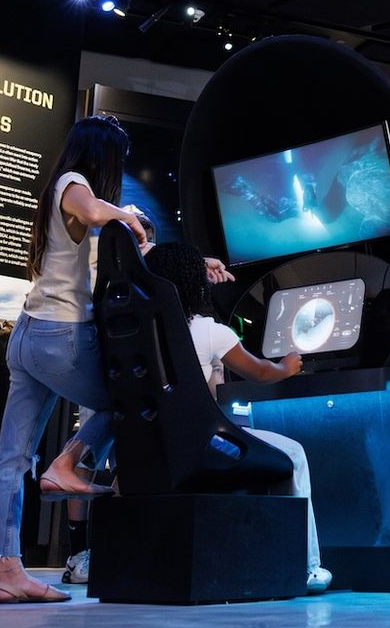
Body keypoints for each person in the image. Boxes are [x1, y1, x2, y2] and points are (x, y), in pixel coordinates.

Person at [0, 116, 147, 604]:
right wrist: (128, 214)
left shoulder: (57, 188)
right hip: (59, 336)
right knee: (125, 403)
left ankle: (8, 571)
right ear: (102, 155)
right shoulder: (75, 184)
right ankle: (69, 462)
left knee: (11, 457)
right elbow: (93, 212)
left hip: (28, 334)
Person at [145, 241, 332, 594]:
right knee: (292, 454)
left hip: (154, 448)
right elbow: (261, 372)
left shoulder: (142, 331)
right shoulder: (210, 330)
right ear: (193, 284)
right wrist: (287, 366)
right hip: (207, 447)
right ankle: (307, 566)